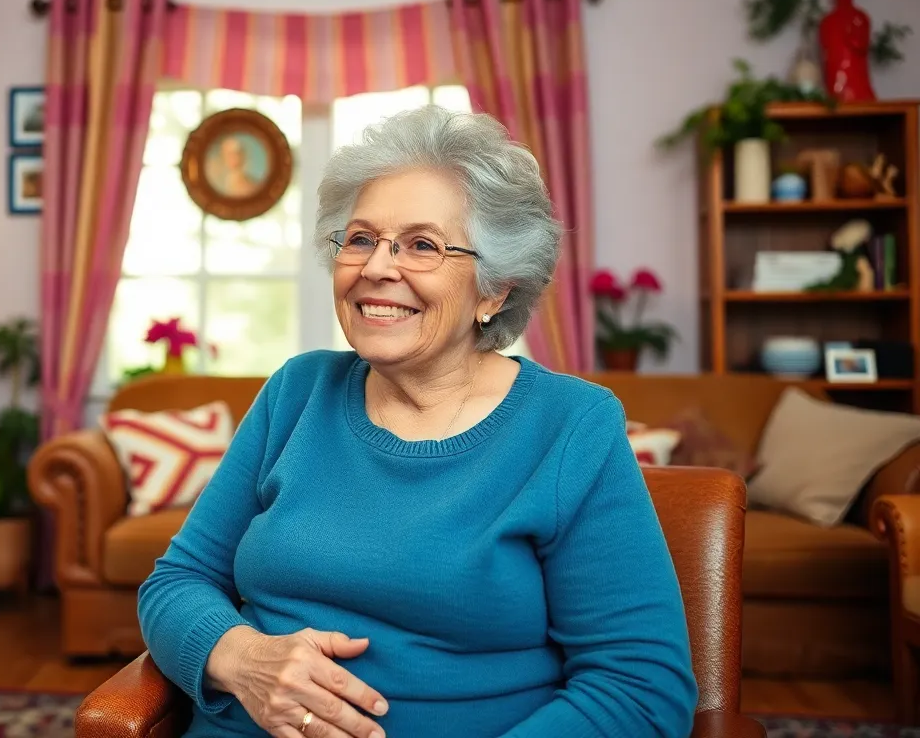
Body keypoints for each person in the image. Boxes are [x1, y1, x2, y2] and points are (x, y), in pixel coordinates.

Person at [138, 105, 699, 737]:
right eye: (360, 238)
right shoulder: (296, 392)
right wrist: (241, 658)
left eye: (422, 245)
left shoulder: (572, 428)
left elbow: (641, 687)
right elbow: (177, 581)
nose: (377, 267)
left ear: (495, 291)